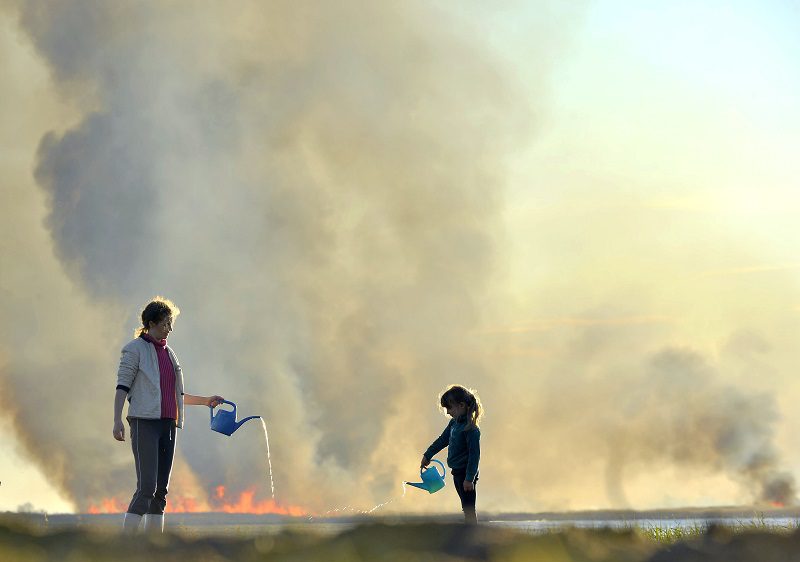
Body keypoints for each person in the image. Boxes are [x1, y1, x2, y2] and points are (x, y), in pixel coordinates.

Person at [112, 297, 224, 534]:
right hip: (144, 423)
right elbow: (122, 386)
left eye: (170, 324)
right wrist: (117, 420)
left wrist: (206, 401)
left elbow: (174, 394)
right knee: (146, 488)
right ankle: (125, 544)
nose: (169, 329)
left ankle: (155, 547)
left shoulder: (169, 354)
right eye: (165, 324)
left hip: (168, 425)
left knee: (161, 491)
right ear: (151, 323)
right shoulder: (134, 350)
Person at [420, 385, 482, 525]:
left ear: (461, 406)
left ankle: (472, 531)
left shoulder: (471, 429)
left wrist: (469, 478)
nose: (448, 412)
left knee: (468, 506)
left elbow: (474, 456)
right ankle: (469, 528)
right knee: (465, 505)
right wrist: (428, 454)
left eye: (449, 408)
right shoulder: (453, 424)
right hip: (456, 472)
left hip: (466, 473)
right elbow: (443, 439)